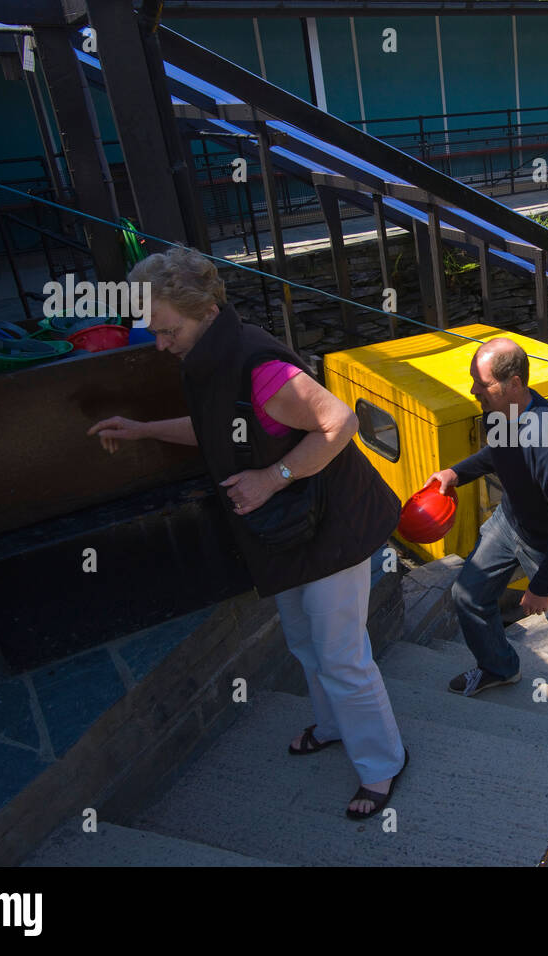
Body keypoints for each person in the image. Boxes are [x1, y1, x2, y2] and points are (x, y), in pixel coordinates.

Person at [87, 246, 407, 820]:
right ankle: (335, 727)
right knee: (305, 642)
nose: (160, 345)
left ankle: (383, 764)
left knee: (341, 654)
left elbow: (341, 422)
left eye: (167, 331)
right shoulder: (209, 354)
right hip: (289, 528)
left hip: (330, 524)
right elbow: (215, 425)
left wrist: (270, 477)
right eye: (155, 333)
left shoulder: (260, 365)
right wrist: (142, 430)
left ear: (206, 311)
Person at [428, 337, 548, 701]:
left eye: (482, 383)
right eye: (473, 380)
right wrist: (456, 473)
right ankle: (499, 668)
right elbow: (497, 453)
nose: (474, 390)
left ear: (514, 384)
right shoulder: (497, 411)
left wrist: (542, 585)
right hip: (509, 524)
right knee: (468, 596)